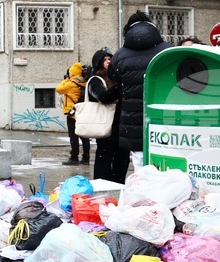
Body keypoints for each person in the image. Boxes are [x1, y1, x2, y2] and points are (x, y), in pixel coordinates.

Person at [109, 11, 171, 170]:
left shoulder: (120, 55)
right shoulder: (167, 51)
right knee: (166, 157)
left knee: (139, 159)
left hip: (133, 115)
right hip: (163, 114)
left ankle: (143, 191)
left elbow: (114, 77)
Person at [87, 49, 129, 183]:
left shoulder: (116, 79)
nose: (108, 62)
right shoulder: (95, 80)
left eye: (110, 59)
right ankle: (102, 185)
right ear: (98, 63)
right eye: (105, 60)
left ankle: (118, 185)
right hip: (106, 126)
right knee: (104, 158)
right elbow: (104, 97)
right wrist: (121, 87)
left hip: (121, 126)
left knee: (122, 158)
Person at [56, 62, 91, 166]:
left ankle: (74, 158)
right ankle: (86, 158)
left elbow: (59, 89)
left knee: (73, 137)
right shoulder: (84, 82)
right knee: (84, 136)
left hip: (72, 114)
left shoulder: (71, 83)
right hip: (82, 113)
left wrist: (66, 79)